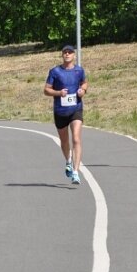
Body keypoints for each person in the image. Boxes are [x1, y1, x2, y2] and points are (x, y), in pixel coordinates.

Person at [43, 44, 89, 185]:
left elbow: (85, 83)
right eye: (65, 52)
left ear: (74, 55)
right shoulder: (55, 71)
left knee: (76, 139)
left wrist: (83, 90)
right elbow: (46, 90)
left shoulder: (79, 70)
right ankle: (68, 161)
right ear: (62, 55)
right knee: (64, 141)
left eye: (70, 52)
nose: (67, 54)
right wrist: (58, 93)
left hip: (76, 108)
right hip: (60, 111)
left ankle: (75, 172)